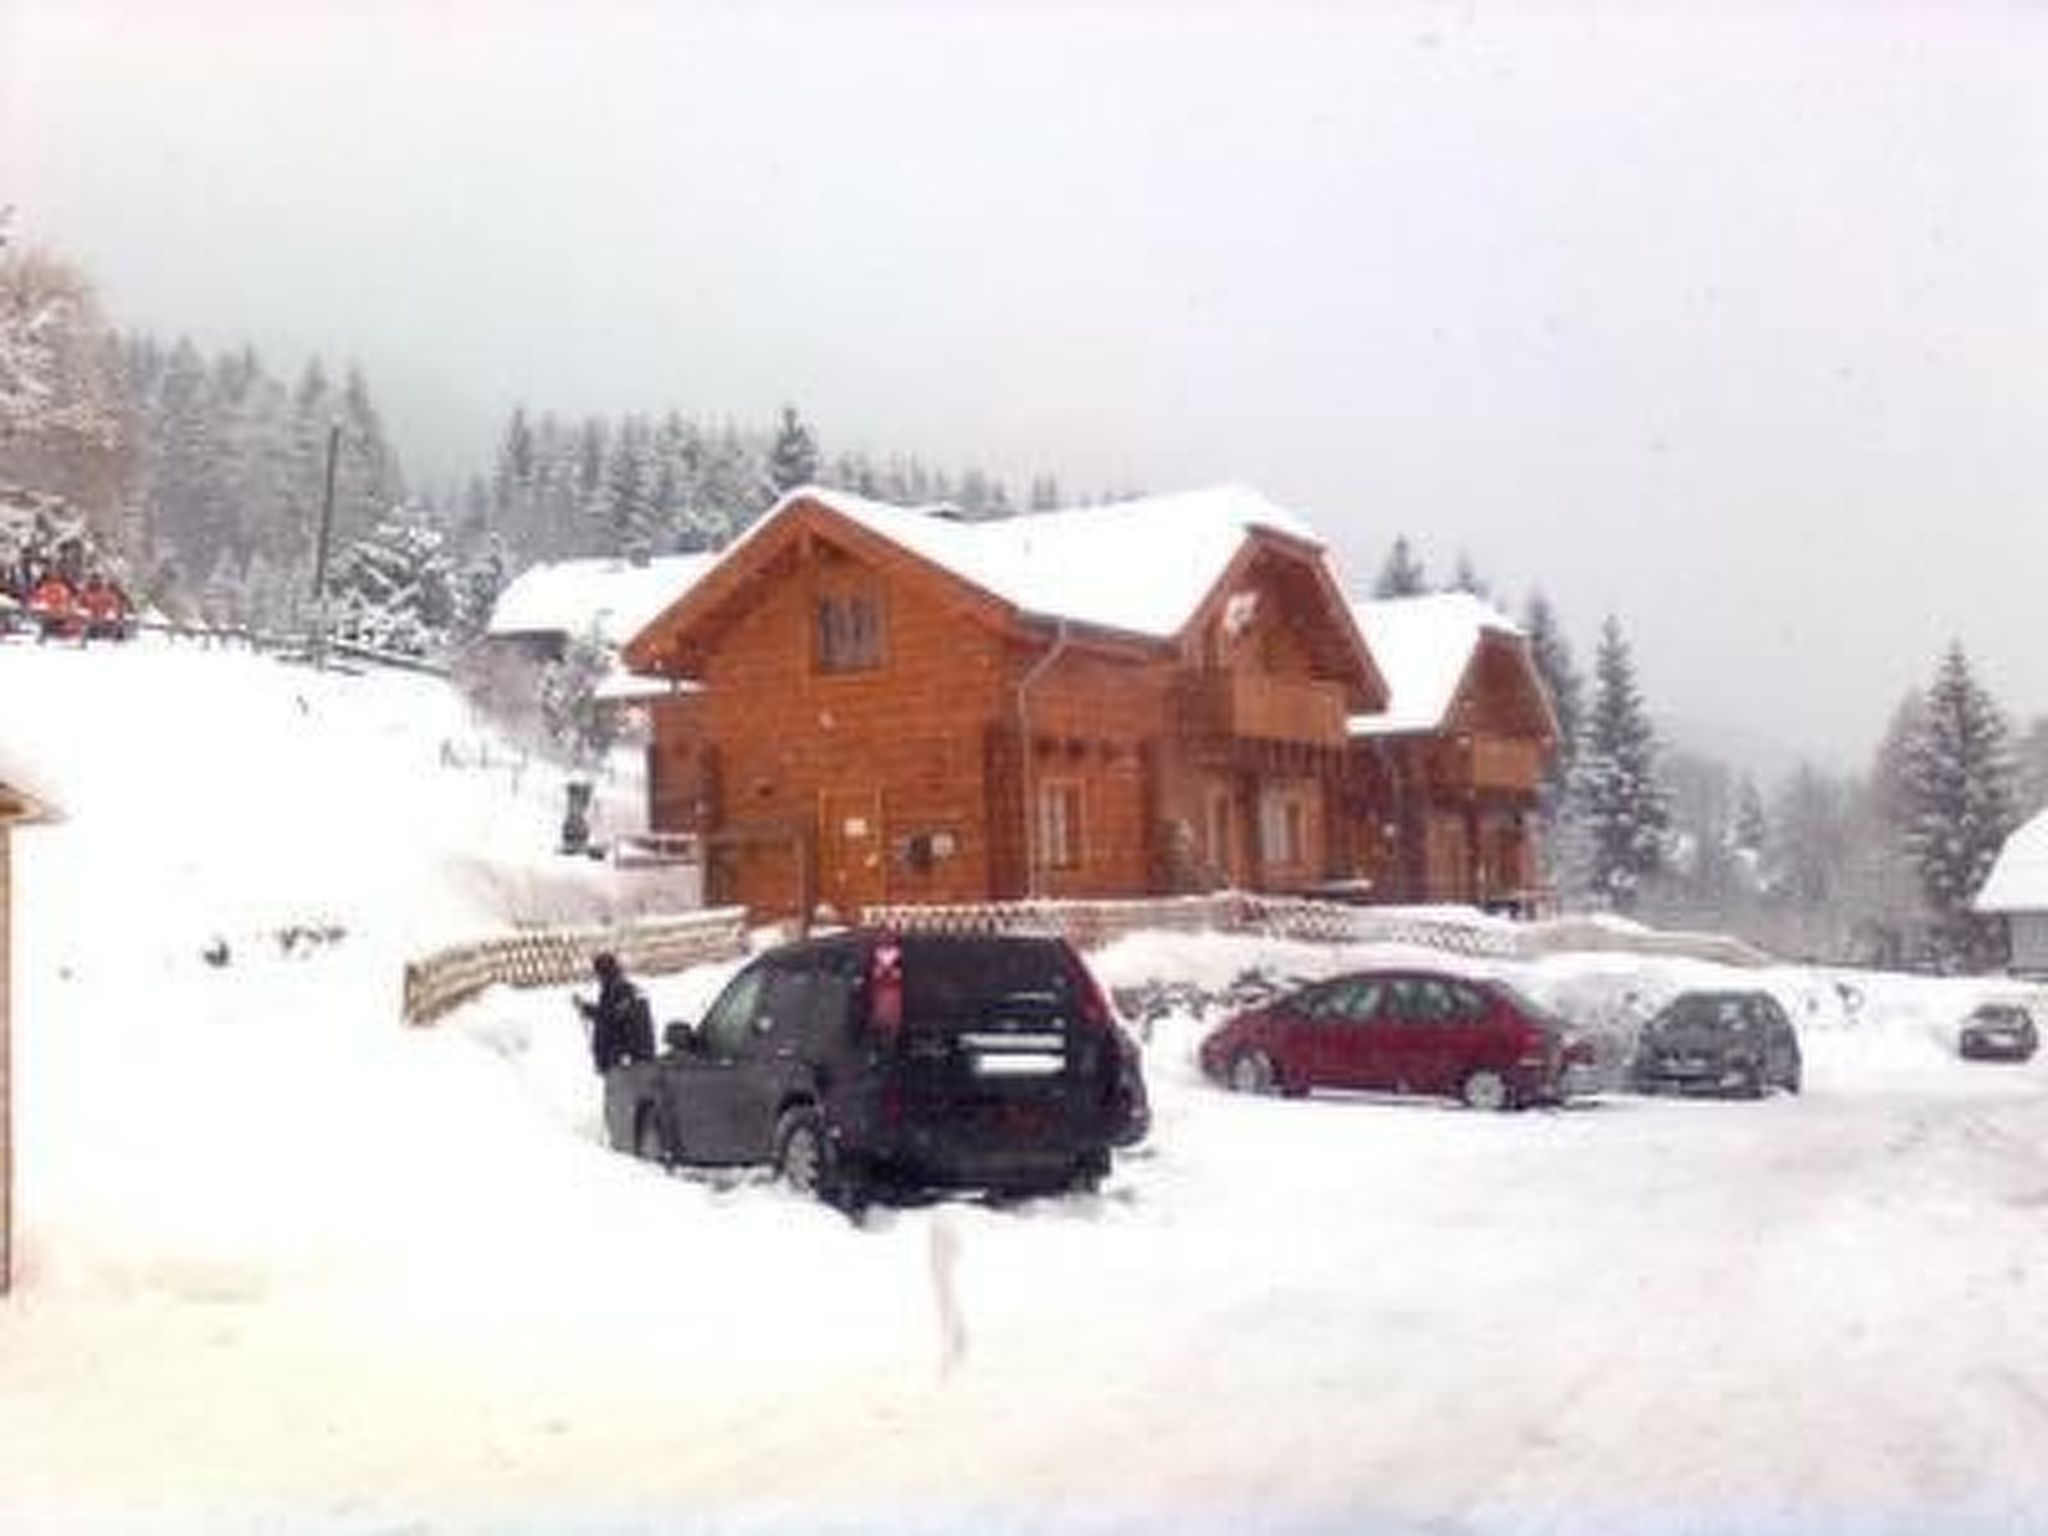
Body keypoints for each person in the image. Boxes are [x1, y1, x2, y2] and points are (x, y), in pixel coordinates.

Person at [577, 951, 655, 1074]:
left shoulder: (620, 990)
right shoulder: (619, 989)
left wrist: (587, 1009)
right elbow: (609, 1014)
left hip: (626, 1060)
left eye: (599, 974)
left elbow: (611, 1017)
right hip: (629, 1059)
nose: (598, 979)